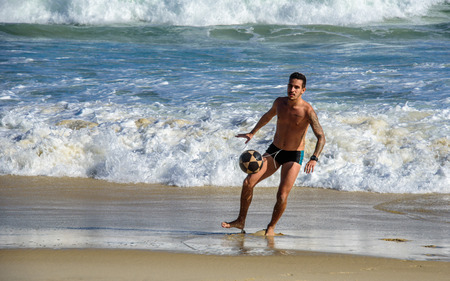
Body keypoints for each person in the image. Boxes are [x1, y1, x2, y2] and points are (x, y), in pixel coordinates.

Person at [222, 72, 326, 236]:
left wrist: (314, 158)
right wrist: (252, 132)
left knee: (282, 194)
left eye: (296, 87)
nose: (292, 89)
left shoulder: (308, 111)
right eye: (290, 85)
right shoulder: (279, 103)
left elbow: (321, 137)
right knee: (248, 182)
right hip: (275, 150)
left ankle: (271, 227)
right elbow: (268, 116)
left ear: (303, 90)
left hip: (294, 155)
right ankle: (241, 220)